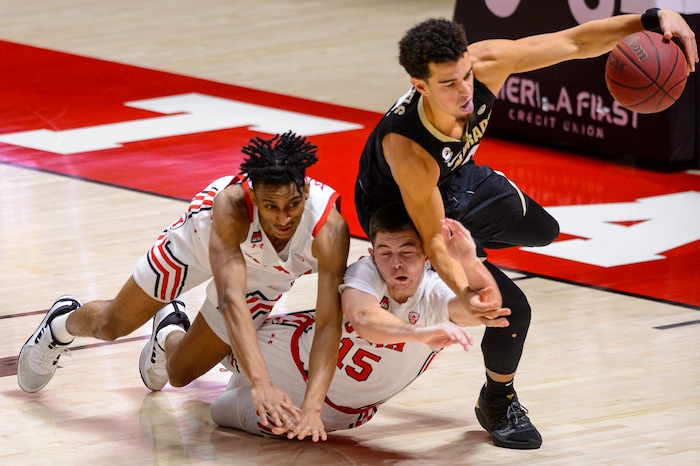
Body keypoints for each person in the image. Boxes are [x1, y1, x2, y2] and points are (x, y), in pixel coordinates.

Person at [354, 9, 698, 449]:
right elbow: (435, 239)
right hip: (403, 216)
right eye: (449, 84)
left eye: (465, 75)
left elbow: (574, 42)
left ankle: (474, 244)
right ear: (419, 86)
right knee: (509, 310)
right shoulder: (410, 150)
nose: (465, 91)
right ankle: (498, 402)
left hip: (455, 180)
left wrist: (650, 19)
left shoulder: (486, 62)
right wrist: (468, 290)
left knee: (543, 230)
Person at [18, 131, 350, 437]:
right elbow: (230, 299)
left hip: (267, 275)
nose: (283, 218)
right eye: (270, 207)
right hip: (199, 242)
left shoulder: (330, 231)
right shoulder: (230, 206)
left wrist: (313, 407)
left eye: (293, 205)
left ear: (306, 192)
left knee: (179, 374)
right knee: (111, 325)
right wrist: (261, 382)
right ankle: (60, 324)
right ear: (252, 194)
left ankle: (167, 332)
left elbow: (328, 323)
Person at [206, 202, 510, 442]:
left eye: (407, 253)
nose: (396, 263)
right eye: (386, 253)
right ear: (372, 254)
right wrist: (419, 333)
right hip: (283, 353)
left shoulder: (436, 294)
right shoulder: (366, 271)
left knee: (221, 412)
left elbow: (488, 309)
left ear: (427, 256)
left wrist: (470, 262)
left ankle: (239, 383)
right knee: (199, 358)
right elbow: (364, 318)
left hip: (339, 412)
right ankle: (179, 326)